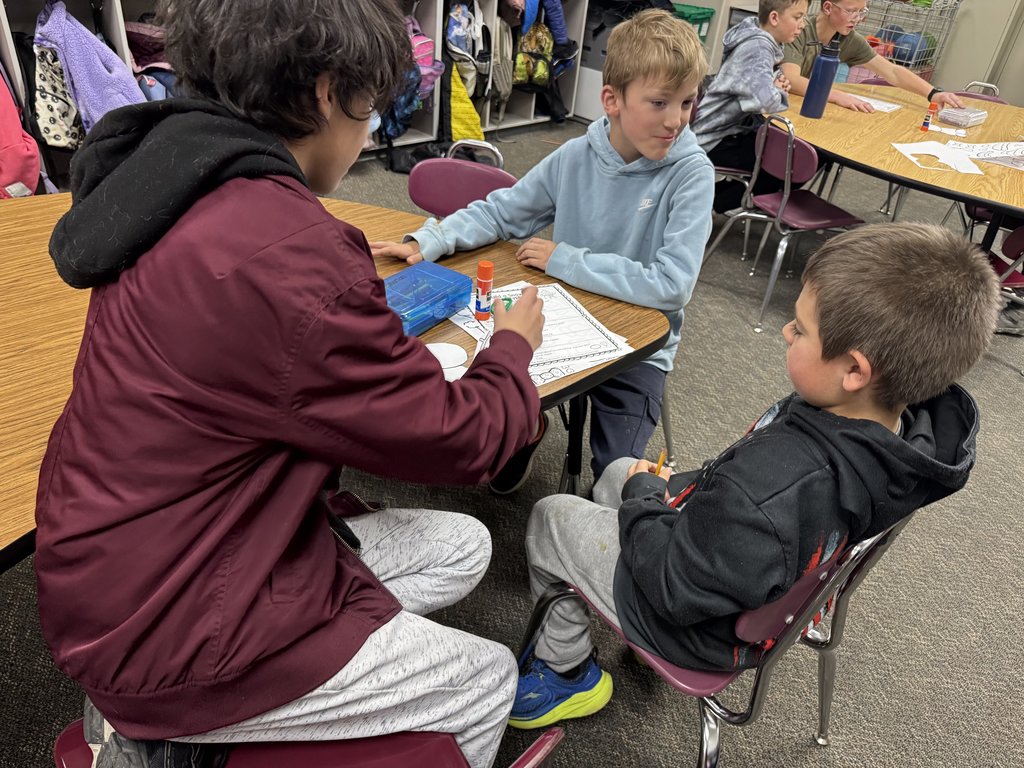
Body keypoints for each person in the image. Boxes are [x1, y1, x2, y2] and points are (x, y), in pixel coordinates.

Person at [35, 2, 546, 767]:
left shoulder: (175, 171)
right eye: (371, 108)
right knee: (486, 678)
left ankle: (242, 720)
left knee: (462, 545)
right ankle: (180, 729)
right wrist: (511, 350)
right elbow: (465, 440)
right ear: (328, 92)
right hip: (166, 627)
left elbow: (273, 354)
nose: (370, 131)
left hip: (132, 561)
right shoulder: (289, 253)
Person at [508, 222, 1001, 729]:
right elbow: (743, 507)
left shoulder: (774, 484)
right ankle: (622, 612)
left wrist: (644, 498)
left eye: (802, 328)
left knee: (551, 515)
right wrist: (652, 493)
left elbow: (678, 584)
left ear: (855, 371)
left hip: (692, 619)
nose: (787, 331)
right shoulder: (900, 431)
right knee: (616, 472)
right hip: (740, 563)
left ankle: (564, 671)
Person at [370, 9, 714, 490]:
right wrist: (431, 239)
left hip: (638, 346)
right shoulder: (576, 156)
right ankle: (529, 430)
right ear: (611, 101)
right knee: (483, 385)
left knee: (617, 482)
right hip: (566, 320)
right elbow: (501, 212)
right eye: (660, 103)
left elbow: (672, 286)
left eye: (687, 102)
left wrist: (566, 259)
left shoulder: (691, 173)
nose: (676, 120)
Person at [693, 0, 808, 213]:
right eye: (797, 17)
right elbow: (765, 102)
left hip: (724, 129)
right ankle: (707, 205)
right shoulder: (758, 48)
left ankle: (709, 201)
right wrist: (778, 92)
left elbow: (753, 89)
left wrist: (771, 85)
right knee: (790, 164)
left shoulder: (755, 35)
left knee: (786, 156)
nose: (802, 24)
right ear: (774, 18)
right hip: (712, 139)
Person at [780, 0, 964, 113]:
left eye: (862, 12)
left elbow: (892, 71)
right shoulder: (798, 29)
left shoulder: (847, 39)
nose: (858, 18)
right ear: (828, 7)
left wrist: (933, 93)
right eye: (851, 11)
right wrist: (837, 96)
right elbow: (791, 79)